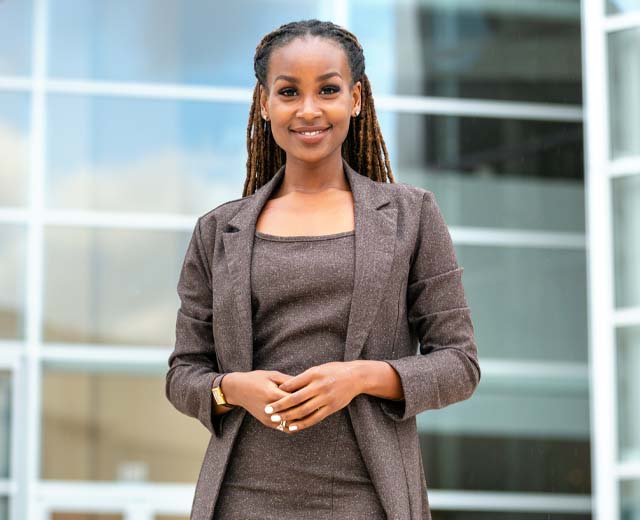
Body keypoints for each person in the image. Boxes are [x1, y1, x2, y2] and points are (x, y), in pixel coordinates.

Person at [165, 19, 481, 520]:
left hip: (369, 498)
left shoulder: (411, 216)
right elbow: (184, 373)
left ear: (354, 99)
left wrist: (360, 377)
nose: (309, 109)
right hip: (242, 498)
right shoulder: (218, 230)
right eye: (289, 91)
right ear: (265, 103)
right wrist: (233, 388)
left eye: (328, 90)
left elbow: (460, 365)